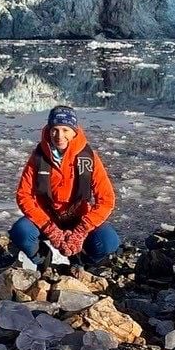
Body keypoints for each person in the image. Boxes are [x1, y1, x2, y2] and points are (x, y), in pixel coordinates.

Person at [10, 105, 119, 265]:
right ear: (49, 130)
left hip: (78, 218)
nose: (59, 136)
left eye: (65, 130)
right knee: (21, 232)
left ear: (74, 131)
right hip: (46, 218)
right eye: (55, 130)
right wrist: (49, 228)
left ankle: (84, 262)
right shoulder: (39, 158)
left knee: (108, 241)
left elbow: (106, 199)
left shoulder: (88, 159)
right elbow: (24, 195)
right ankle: (41, 260)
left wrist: (81, 230)